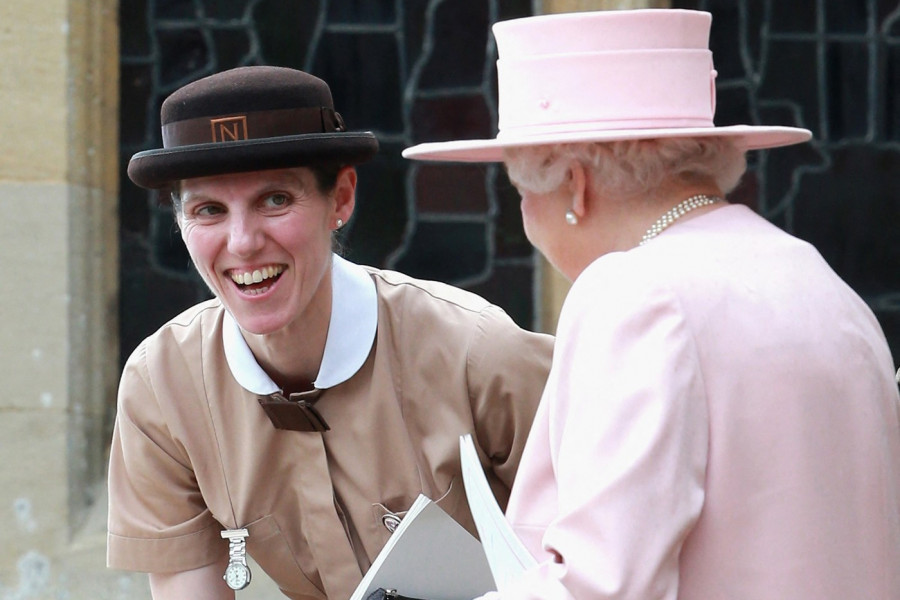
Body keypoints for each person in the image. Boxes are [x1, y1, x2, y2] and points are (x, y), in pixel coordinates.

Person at [404, 8, 900, 599]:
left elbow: (602, 585)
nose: (524, 217)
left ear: (575, 187)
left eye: (519, 190)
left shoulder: (634, 294)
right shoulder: (821, 282)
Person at [107, 65, 554, 600]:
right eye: (209, 210)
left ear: (340, 199)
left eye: (275, 199)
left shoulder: (481, 354)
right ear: (181, 224)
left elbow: (610, 560)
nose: (243, 242)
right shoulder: (161, 387)